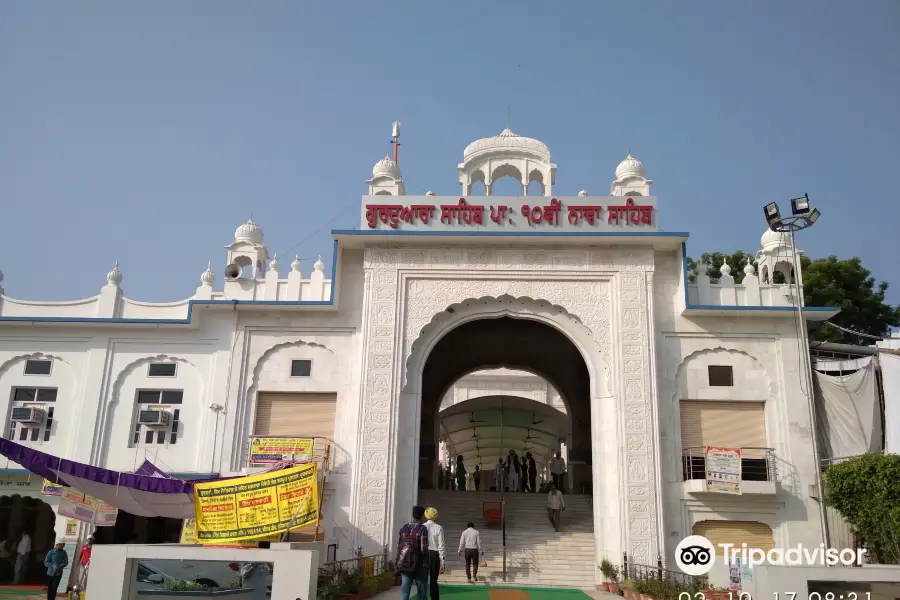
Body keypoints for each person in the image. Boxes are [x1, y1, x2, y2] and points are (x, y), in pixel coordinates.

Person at [395, 506, 428, 600]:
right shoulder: (422, 529)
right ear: (422, 516)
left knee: (404, 591)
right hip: (419, 564)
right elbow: (423, 549)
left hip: (405, 564)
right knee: (422, 593)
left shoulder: (403, 528)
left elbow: (399, 546)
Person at [423, 507, 445, 600]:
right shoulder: (439, 528)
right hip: (435, 555)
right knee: (433, 580)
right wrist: (442, 561)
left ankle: (422, 597)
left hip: (424, 554)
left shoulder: (422, 526)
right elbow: (441, 545)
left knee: (422, 580)